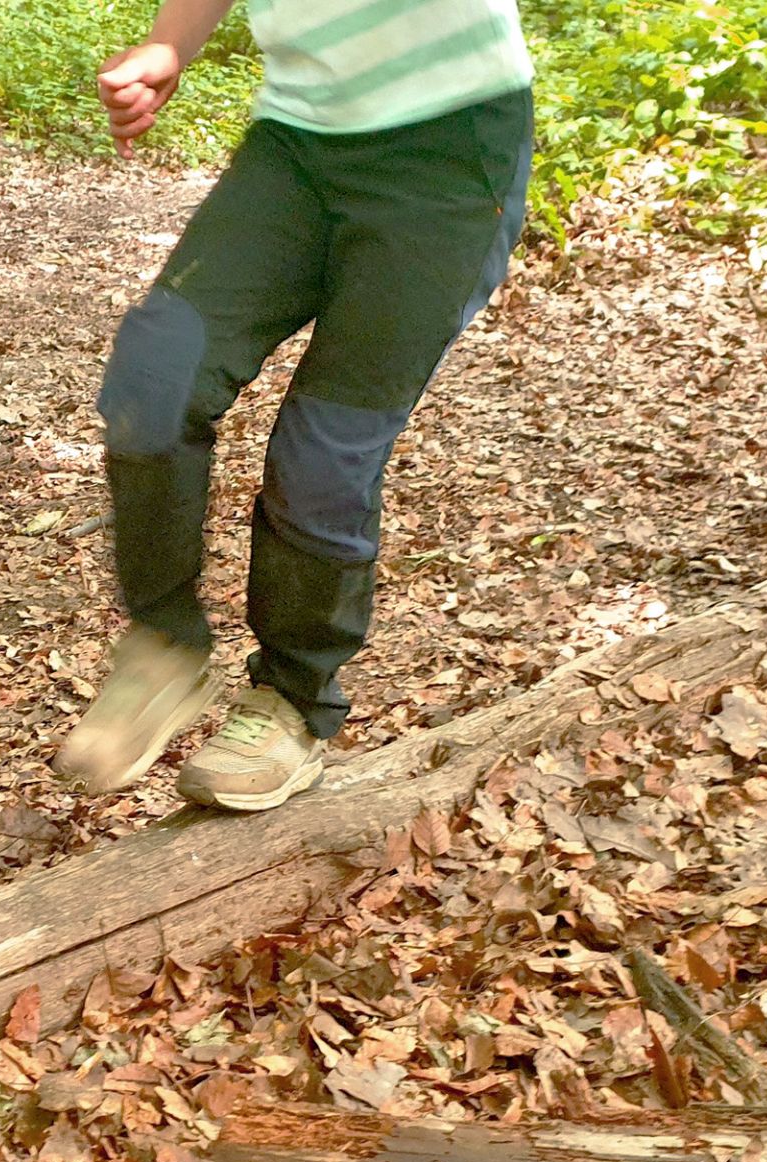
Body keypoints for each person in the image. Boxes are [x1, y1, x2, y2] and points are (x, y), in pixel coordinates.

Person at [55, 0, 534, 812]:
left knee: (324, 455)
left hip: (450, 152)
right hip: (297, 145)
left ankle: (292, 701)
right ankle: (164, 644)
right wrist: (170, 45)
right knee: (154, 379)